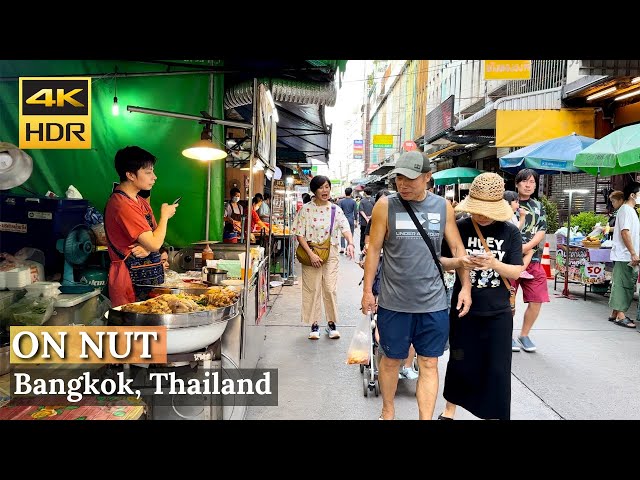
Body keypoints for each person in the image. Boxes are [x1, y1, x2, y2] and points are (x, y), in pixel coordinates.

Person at [360, 150, 473, 420]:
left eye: (410, 178)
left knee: (430, 363)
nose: (403, 184)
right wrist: (367, 291)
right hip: (393, 301)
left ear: (427, 178)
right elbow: (373, 249)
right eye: (399, 177)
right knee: (390, 360)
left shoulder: (442, 206)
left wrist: (466, 287)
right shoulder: (385, 206)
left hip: (433, 301)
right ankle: (388, 410)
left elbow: (457, 248)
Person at [439, 173, 524, 420]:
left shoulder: (510, 232)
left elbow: (516, 271)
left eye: (486, 211)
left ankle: (495, 414)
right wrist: (460, 260)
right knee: (459, 361)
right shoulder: (461, 227)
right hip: (464, 309)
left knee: (497, 369)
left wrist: (494, 264)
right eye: (477, 210)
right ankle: (449, 411)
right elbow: (443, 262)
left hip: (497, 312)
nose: (481, 215)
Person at [104, 146, 178, 307]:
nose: (154, 177)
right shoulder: (122, 204)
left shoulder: (140, 202)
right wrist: (164, 216)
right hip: (128, 280)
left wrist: (148, 247)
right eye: (148, 172)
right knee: (135, 329)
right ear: (130, 175)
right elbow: (155, 242)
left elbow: (154, 236)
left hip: (147, 278)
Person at [292, 175, 355, 340]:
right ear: (314, 190)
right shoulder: (305, 209)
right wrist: (311, 254)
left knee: (329, 287)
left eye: (327, 186)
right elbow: (299, 234)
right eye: (321, 187)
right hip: (310, 251)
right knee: (312, 288)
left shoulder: (335, 209)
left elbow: (345, 227)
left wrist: (350, 243)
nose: (325, 190)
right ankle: (314, 324)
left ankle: (331, 323)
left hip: (331, 252)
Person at [511, 169, 548, 353]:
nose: (528, 185)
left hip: (533, 259)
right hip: (509, 260)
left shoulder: (538, 206)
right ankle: (507, 335)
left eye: (532, 182)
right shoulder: (508, 203)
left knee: (537, 300)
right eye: (524, 181)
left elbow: (542, 230)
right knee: (508, 300)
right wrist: (517, 249)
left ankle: (524, 335)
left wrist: (527, 248)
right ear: (517, 183)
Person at [608, 182, 640, 327]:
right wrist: (633, 253)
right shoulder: (627, 210)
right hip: (625, 254)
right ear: (632, 195)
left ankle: (615, 313)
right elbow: (625, 232)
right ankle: (621, 316)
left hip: (625, 254)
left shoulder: (629, 210)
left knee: (622, 283)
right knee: (624, 284)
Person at [504, 190, 535, 280]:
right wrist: (522, 217)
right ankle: (520, 270)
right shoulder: (507, 215)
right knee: (530, 251)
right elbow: (515, 230)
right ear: (508, 203)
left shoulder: (512, 215)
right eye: (516, 202)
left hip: (510, 243)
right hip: (509, 245)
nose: (518, 204)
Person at [338, 187, 357, 254]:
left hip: (343, 219)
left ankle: (342, 248)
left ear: (345, 193)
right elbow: (355, 212)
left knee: (343, 233)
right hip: (351, 219)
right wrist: (356, 221)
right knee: (350, 234)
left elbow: (339, 211)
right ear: (351, 193)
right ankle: (347, 249)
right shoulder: (353, 202)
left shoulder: (341, 201)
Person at [358, 187, 375, 253]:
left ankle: (362, 249)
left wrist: (366, 218)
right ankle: (370, 249)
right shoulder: (374, 200)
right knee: (372, 235)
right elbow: (376, 210)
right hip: (373, 222)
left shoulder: (362, 201)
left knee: (363, 235)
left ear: (365, 193)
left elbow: (361, 211)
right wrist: (370, 217)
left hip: (364, 222)